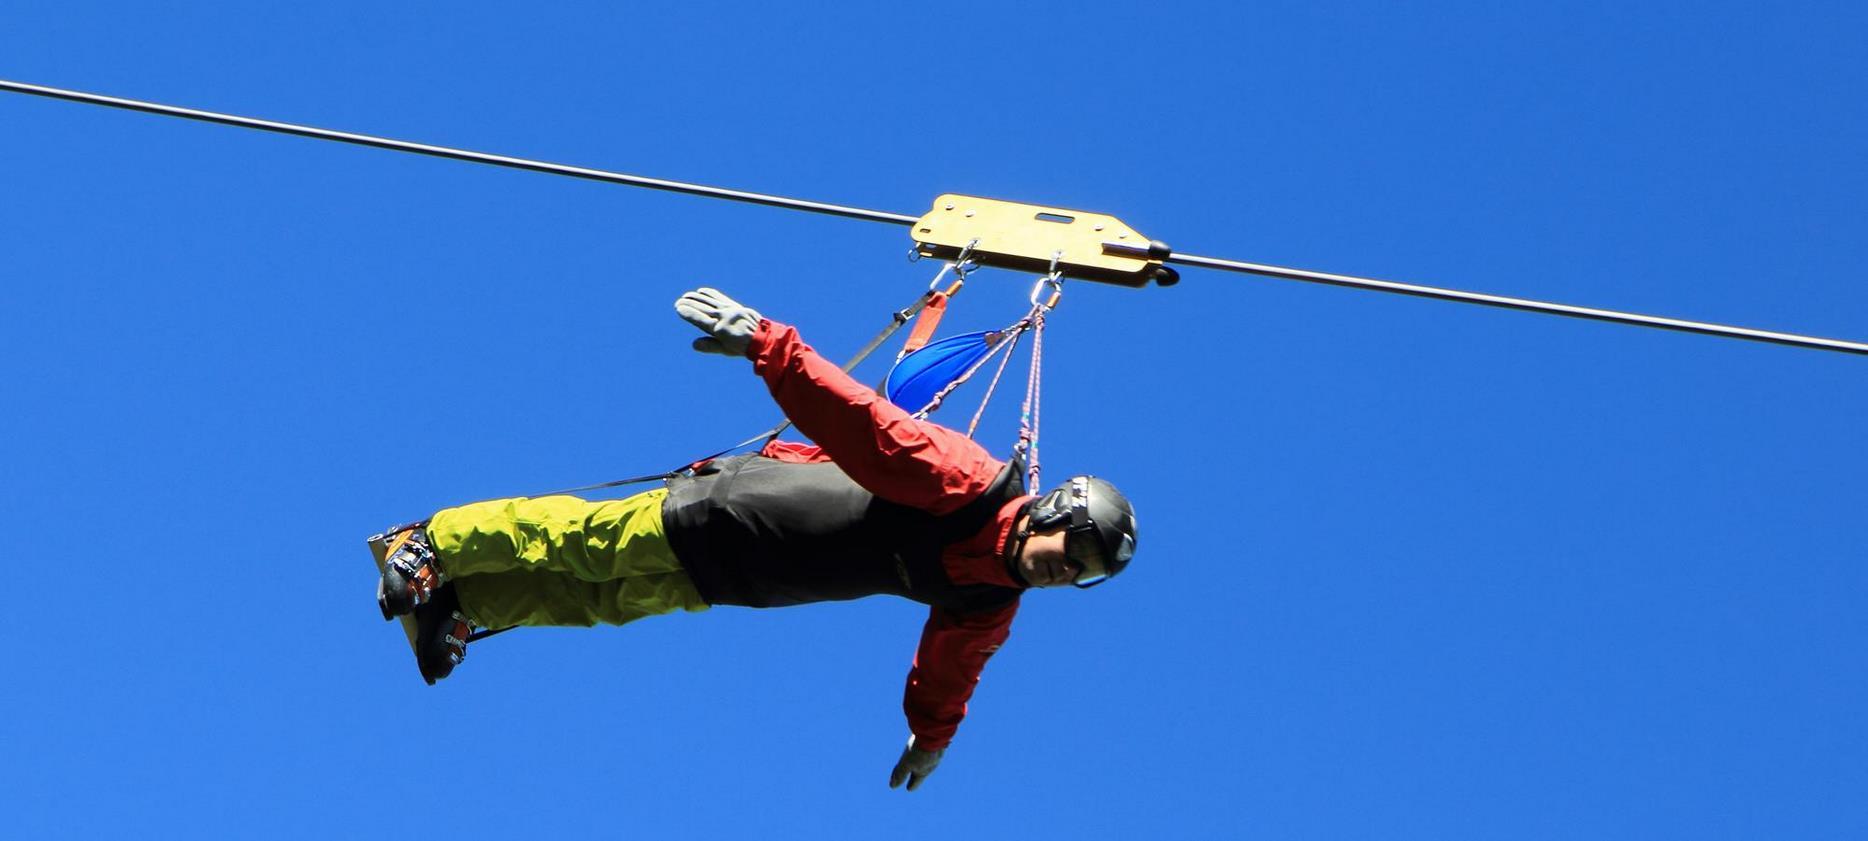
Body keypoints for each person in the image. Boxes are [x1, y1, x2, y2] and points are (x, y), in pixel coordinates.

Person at [371, 287, 1138, 791]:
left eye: (1082, 575)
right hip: (739, 510)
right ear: (1054, 512)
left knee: (604, 600)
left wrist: (930, 735)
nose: (1064, 572)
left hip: (749, 577)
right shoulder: (969, 481)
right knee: (587, 541)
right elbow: (862, 424)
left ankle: (469, 605)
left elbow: (951, 669)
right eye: (1073, 552)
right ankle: (436, 543)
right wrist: (767, 343)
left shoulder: (987, 599)